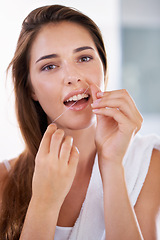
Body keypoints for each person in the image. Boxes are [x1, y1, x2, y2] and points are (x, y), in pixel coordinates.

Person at [0, 4, 160, 240]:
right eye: (50, 66)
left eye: (84, 58)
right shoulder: (4, 181)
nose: (73, 76)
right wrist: (44, 203)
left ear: (103, 68)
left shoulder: (148, 164)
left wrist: (112, 165)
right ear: (30, 88)